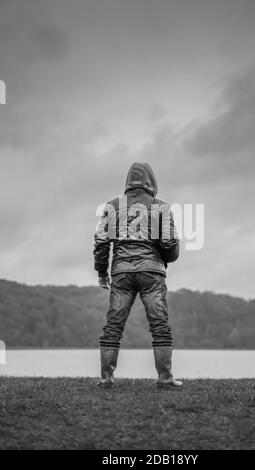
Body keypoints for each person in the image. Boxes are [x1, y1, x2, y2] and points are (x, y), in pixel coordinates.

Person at [93, 162, 182, 388]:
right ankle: (165, 378)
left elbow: (101, 243)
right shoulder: (160, 206)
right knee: (159, 325)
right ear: (152, 182)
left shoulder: (112, 206)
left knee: (113, 325)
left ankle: (106, 378)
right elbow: (170, 243)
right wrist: (165, 259)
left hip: (121, 273)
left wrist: (102, 273)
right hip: (152, 273)